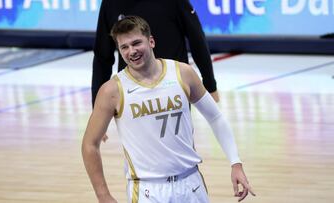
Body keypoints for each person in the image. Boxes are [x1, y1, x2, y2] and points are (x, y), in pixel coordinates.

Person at [82, 16, 255, 203]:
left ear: (151, 41)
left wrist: (235, 163)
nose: (131, 51)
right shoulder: (112, 91)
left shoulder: (183, 73)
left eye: (136, 43)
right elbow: (89, 145)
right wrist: (103, 195)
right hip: (147, 190)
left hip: (191, 183)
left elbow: (215, 117)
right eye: (124, 47)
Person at [91, 0, 219, 108]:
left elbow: (197, 39)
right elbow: (102, 56)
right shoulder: (111, 3)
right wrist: (96, 106)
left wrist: (210, 84)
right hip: (131, 92)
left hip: (173, 89)